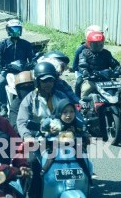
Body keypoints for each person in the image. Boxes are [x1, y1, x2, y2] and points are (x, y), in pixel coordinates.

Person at [16, 61, 70, 198]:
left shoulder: (61, 97)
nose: (48, 84)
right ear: (38, 82)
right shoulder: (29, 100)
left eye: (50, 80)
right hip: (38, 140)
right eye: (44, 81)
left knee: (81, 157)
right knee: (33, 164)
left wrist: (84, 130)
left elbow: (73, 113)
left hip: (62, 137)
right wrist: (27, 137)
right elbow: (21, 122)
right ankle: (33, 193)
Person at [0, 19, 35, 114]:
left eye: (17, 29)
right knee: (0, 83)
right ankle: (3, 105)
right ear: (8, 30)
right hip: (7, 70)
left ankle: (34, 104)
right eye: (13, 29)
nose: (16, 32)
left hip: (23, 71)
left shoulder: (26, 44)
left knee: (35, 83)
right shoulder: (3, 44)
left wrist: (33, 63)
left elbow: (32, 57)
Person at [78, 31, 121, 99]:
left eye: (100, 44)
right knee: (85, 89)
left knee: (119, 90)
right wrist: (84, 71)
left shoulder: (106, 53)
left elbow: (113, 63)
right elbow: (82, 63)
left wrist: (119, 69)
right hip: (91, 80)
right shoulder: (85, 53)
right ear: (89, 44)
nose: (98, 46)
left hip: (106, 80)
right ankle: (81, 106)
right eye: (95, 45)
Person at [73, 25, 103, 97]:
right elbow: (75, 66)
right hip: (83, 73)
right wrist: (84, 71)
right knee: (79, 82)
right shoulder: (81, 50)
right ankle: (77, 101)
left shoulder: (102, 50)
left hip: (98, 74)